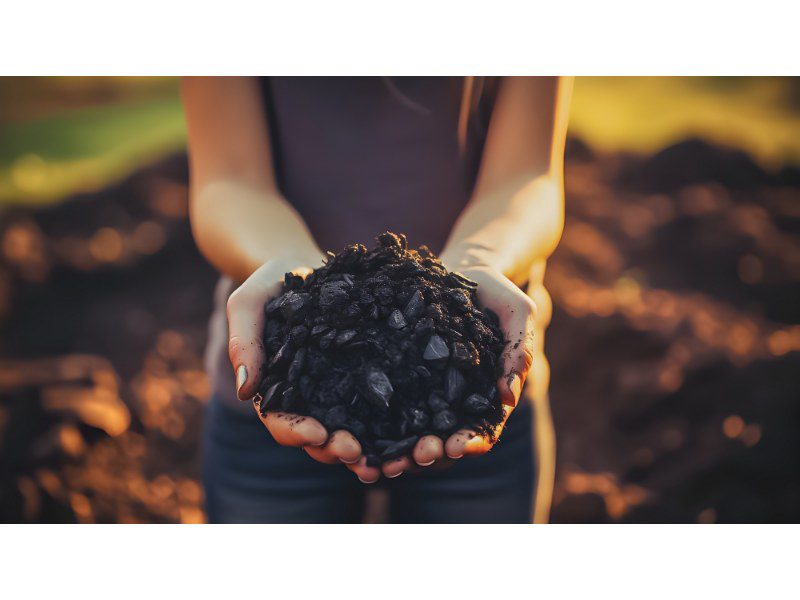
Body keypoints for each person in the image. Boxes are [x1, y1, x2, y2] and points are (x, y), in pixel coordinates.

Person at [182, 76, 571, 523]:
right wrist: (287, 270)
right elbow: (228, 180)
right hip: (276, 392)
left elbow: (529, 177)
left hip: (482, 392)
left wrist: (479, 260)